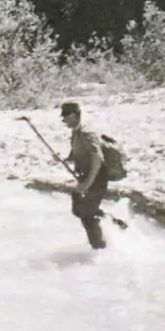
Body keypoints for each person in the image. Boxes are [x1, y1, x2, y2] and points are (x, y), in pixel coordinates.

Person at [60, 101, 109, 250]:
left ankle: (100, 248)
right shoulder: (76, 132)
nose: (63, 121)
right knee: (79, 209)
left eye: (65, 117)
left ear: (74, 116)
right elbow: (78, 154)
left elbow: (97, 158)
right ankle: (100, 218)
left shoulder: (87, 133)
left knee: (87, 215)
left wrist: (87, 183)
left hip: (96, 177)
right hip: (84, 176)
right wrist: (65, 159)